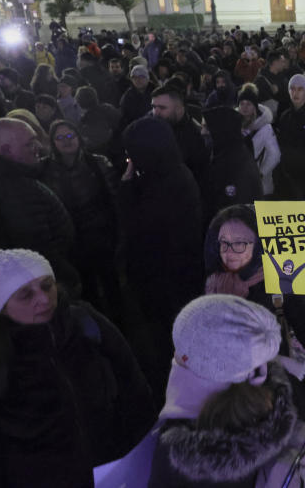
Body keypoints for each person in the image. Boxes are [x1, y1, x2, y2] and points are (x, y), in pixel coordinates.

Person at [0, 249, 155, 488]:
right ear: (0, 307)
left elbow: (134, 390)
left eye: (47, 286)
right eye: (25, 295)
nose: (44, 299)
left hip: (114, 475)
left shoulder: (87, 326)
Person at [148, 294, 305, 487]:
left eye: (180, 349)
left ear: (188, 361)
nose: (175, 355)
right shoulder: (282, 395)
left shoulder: (180, 458)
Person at [203, 205, 305, 357]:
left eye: (239, 243)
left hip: (267, 378)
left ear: (258, 245)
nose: (229, 251)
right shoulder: (211, 282)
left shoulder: (276, 284)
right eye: (224, 242)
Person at [118, 117, 204, 391]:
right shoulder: (168, 174)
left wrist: (126, 188)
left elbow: (139, 229)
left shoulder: (167, 184)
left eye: (134, 152)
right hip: (173, 277)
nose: (130, 158)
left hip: (166, 282)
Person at [0, 118, 79, 289]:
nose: (38, 147)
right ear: (6, 150)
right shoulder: (14, 190)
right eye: (30, 144)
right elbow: (38, 247)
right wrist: (67, 279)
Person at [42, 120, 122, 317]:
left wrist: (119, 233)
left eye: (71, 135)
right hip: (72, 241)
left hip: (101, 235)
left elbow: (115, 199)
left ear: (79, 137)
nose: (67, 141)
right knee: (87, 289)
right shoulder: (45, 171)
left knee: (111, 284)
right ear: (53, 142)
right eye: (60, 138)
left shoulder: (98, 163)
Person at [200, 106, 263, 225]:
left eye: (207, 128)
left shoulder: (238, 165)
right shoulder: (223, 154)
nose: (202, 132)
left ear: (222, 131)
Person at [150, 85, 209, 184]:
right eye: (153, 107)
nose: (156, 112)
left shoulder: (194, 138)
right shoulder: (152, 124)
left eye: (162, 107)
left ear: (180, 109)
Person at [238, 83, 281, 196]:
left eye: (248, 104)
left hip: (259, 183)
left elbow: (275, 154)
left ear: (255, 107)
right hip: (238, 180)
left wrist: (261, 173)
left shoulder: (265, 128)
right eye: (242, 104)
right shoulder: (233, 125)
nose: (245, 107)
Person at [119, 64, 157, 129]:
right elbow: (123, 117)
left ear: (147, 78)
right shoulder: (127, 96)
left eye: (141, 77)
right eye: (134, 77)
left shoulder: (156, 93)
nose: (138, 80)